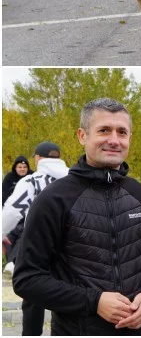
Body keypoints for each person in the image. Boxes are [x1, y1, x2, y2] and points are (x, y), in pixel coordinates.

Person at [12, 99, 141, 335]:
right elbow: (27, 278)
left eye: (122, 132)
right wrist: (94, 301)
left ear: (130, 138)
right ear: (82, 135)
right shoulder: (54, 199)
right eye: (103, 130)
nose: (114, 140)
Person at [2, 142, 67, 335]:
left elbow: (14, 211)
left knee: (32, 293)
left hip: (40, 244)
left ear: (38, 159)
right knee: (70, 291)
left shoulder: (31, 181)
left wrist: (1, 233)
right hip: (72, 245)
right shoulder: (75, 177)